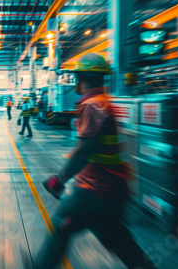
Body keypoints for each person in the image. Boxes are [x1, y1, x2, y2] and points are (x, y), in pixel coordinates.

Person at [32, 53, 156, 269]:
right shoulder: (103, 102)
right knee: (120, 242)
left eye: (76, 77)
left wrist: (59, 180)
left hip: (93, 190)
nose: (74, 81)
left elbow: (83, 151)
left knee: (62, 227)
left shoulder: (92, 105)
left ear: (82, 77)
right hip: (114, 189)